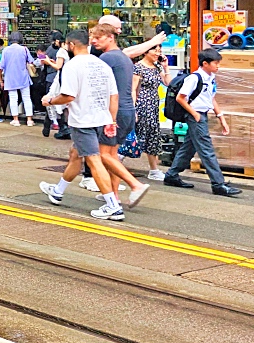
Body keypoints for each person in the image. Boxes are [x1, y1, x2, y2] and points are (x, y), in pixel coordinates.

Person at [40, 29, 125, 221]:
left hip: (82, 120)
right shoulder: (102, 65)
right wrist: (111, 120)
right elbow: (114, 95)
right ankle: (57, 191)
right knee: (75, 154)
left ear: (70, 45)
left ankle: (113, 205)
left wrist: (50, 101)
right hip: (101, 119)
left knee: (94, 160)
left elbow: (69, 95)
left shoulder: (72, 66)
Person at [85, 23, 151, 208]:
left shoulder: (106, 58)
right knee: (112, 155)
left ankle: (135, 184)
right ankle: (114, 195)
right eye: (92, 38)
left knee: (103, 154)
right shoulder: (123, 57)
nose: (94, 41)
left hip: (113, 112)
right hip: (127, 111)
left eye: (98, 37)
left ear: (111, 37)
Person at [164, 49, 241, 196]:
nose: (218, 66)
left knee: (189, 147)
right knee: (206, 149)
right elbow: (181, 98)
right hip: (196, 116)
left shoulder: (210, 77)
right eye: (216, 63)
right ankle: (218, 184)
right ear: (205, 63)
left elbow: (211, 99)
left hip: (201, 114)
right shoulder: (194, 78)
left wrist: (221, 118)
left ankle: (171, 175)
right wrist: (194, 114)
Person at [132, 42, 169, 181]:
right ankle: (116, 164)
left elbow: (167, 83)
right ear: (146, 52)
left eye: (159, 50)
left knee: (153, 136)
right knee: (138, 135)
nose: (158, 53)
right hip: (142, 105)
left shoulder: (157, 66)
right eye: (155, 50)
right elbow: (133, 89)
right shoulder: (138, 67)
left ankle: (154, 170)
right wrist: (133, 109)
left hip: (153, 106)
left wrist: (166, 67)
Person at [0, 32, 35, 126]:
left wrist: (1, 79)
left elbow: (2, 65)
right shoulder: (24, 49)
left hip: (10, 77)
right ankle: (29, 120)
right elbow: (31, 61)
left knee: (13, 98)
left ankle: (15, 119)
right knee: (26, 98)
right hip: (23, 77)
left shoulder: (6, 50)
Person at [40, 31, 69, 137]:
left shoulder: (61, 51)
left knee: (51, 101)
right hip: (61, 78)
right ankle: (59, 127)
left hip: (57, 79)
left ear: (57, 41)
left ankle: (52, 127)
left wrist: (48, 62)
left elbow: (58, 66)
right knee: (58, 102)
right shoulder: (67, 50)